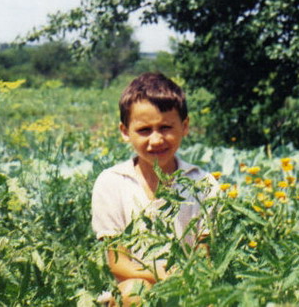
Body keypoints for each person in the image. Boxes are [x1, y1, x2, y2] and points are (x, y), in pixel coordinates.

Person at [92, 72, 217, 305]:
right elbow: (119, 265)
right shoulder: (111, 183)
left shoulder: (203, 184)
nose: (157, 139)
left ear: (185, 126)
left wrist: (181, 281)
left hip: (189, 286)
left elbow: (203, 256)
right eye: (144, 130)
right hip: (135, 288)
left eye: (166, 127)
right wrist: (165, 276)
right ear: (124, 131)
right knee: (134, 292)